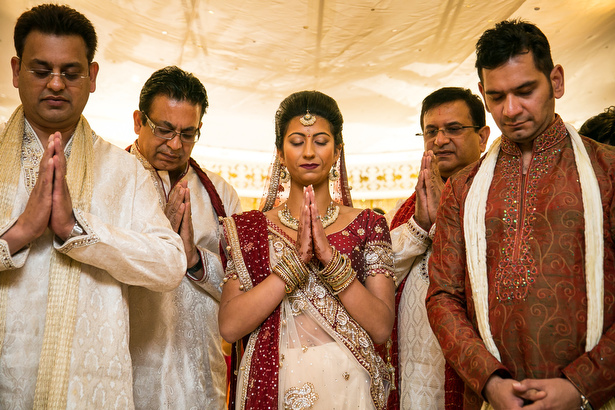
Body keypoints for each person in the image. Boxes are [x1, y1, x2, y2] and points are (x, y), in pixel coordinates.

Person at [0, 4, 186, 408]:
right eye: (40, 70)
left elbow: (171, 265)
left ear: (93, 76)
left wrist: (78, 231)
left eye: (70, 72)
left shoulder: (125, 171)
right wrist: (19, 233)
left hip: (88, 388)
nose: (55, 84)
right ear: (15, 72)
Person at [426, 19, 615, 410]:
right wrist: (489, 381)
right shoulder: (462, 188)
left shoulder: (608, 171)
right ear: (482, 93)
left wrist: (580, 386)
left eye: (525, 90)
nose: (510, 110)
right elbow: (443, 296)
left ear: (556, 81)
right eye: (496, 97)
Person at [218, 90, 396, 409]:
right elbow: (230, 327)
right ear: (280, 153)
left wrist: (329, 259)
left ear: (338, 149)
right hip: (275, 385)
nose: (309, 151)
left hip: (350, 389)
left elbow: (381, 328)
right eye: (297, 141)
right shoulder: (248, 230)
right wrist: (293, 267)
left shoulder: (369, 225)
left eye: (321, 141)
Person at [127, 65, 242, 409]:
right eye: (164, 129)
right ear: (138, 121)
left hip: (198, 378)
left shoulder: (220, 195)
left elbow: (244, 288)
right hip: (130, 374)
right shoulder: (110, 183)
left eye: (188, 133)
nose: (176, 145)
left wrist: (195, 260)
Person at [385, 87, 489, 409]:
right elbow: (377, 279)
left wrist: (440, 226)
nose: (440, 140)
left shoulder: (494, 201)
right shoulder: (405, 211)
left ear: (483, 137)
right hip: (410, 374)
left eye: (454, 129)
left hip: (471, 368)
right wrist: (419, 226)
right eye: (431, 131)